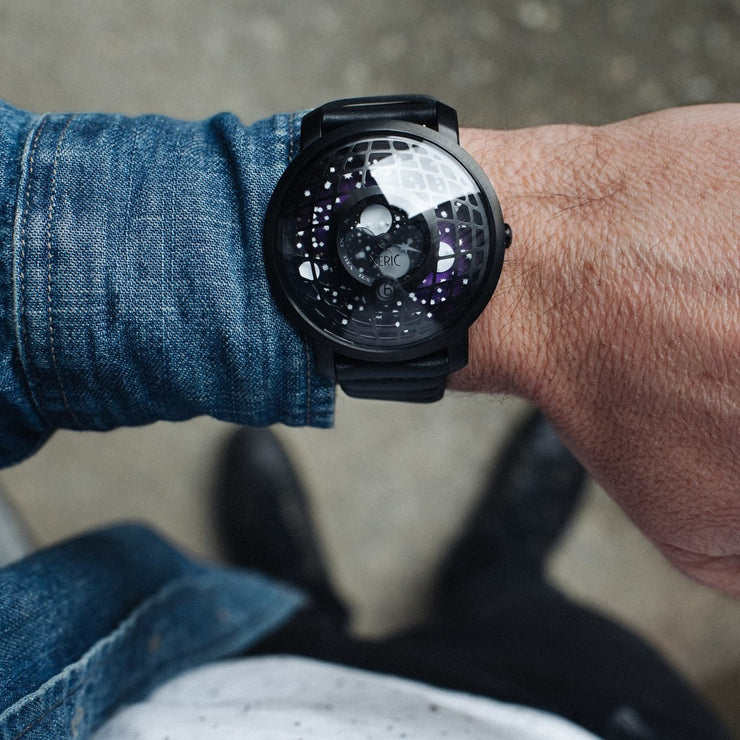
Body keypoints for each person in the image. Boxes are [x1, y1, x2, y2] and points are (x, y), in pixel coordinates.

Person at [0, 97, 736, 738]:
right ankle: (498, 572)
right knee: (528, 619)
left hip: (213, 682)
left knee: (286, 631)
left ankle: (299, 599)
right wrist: (559, 268)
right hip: (593, 713)